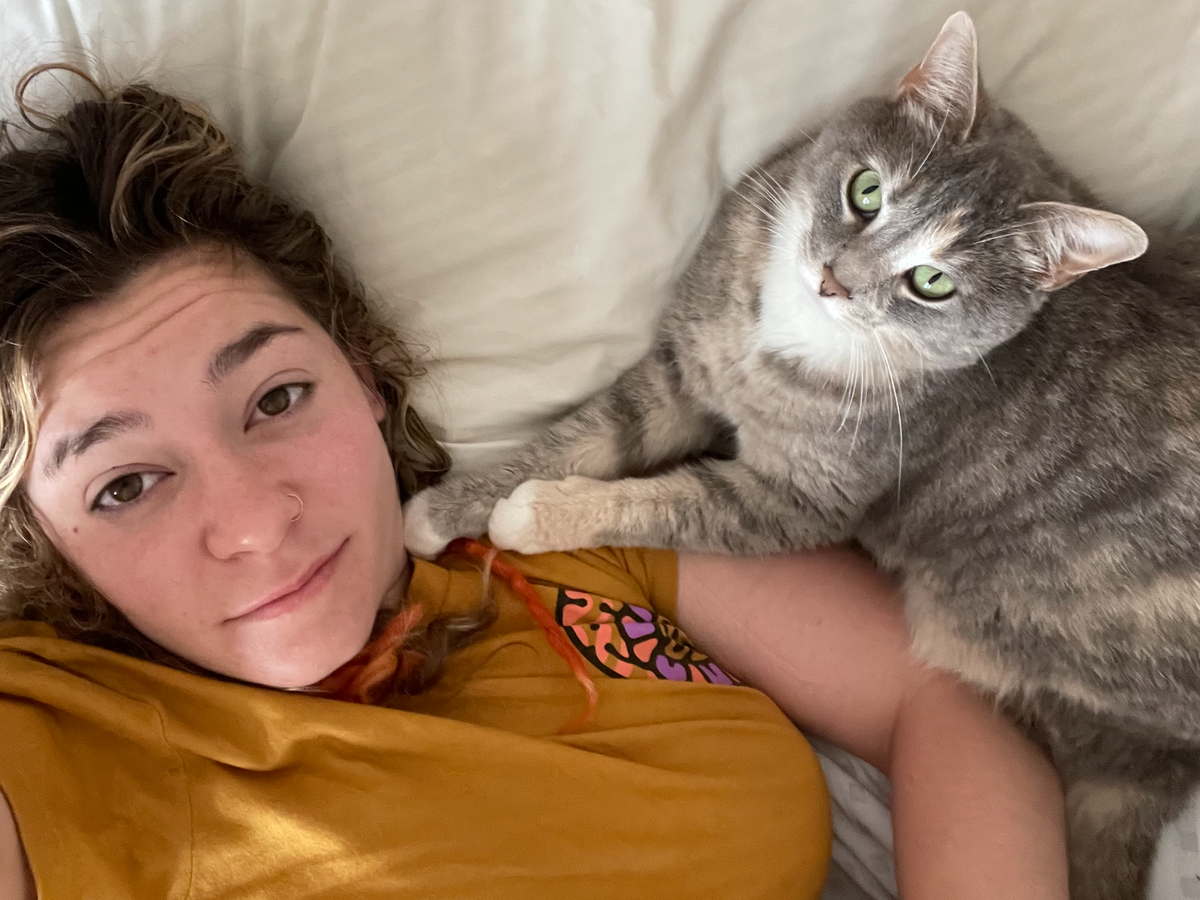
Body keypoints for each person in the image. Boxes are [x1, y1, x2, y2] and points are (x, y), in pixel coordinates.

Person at [0, 67, 1068, 900]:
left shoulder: (568, 531)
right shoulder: (56, 731)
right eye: (124, 485)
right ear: (38, 534)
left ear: (364, 378)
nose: (254, 522)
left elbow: (941, 693)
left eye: (277, 399)